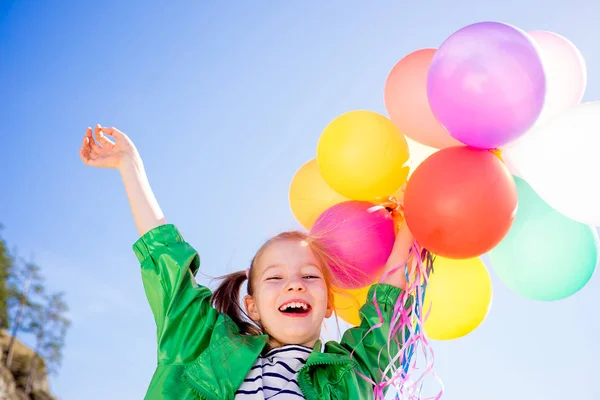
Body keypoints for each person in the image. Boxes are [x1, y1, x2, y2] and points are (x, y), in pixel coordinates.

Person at [80, 124, 416, 400]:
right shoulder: (203, 345)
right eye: (274, 278)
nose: (294, 283)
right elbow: (168, 264)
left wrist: (414, 216)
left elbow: (387, 309)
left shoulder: (352, 371)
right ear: (252, 306)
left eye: (310, 276)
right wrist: (130, 166)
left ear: (329, 303)